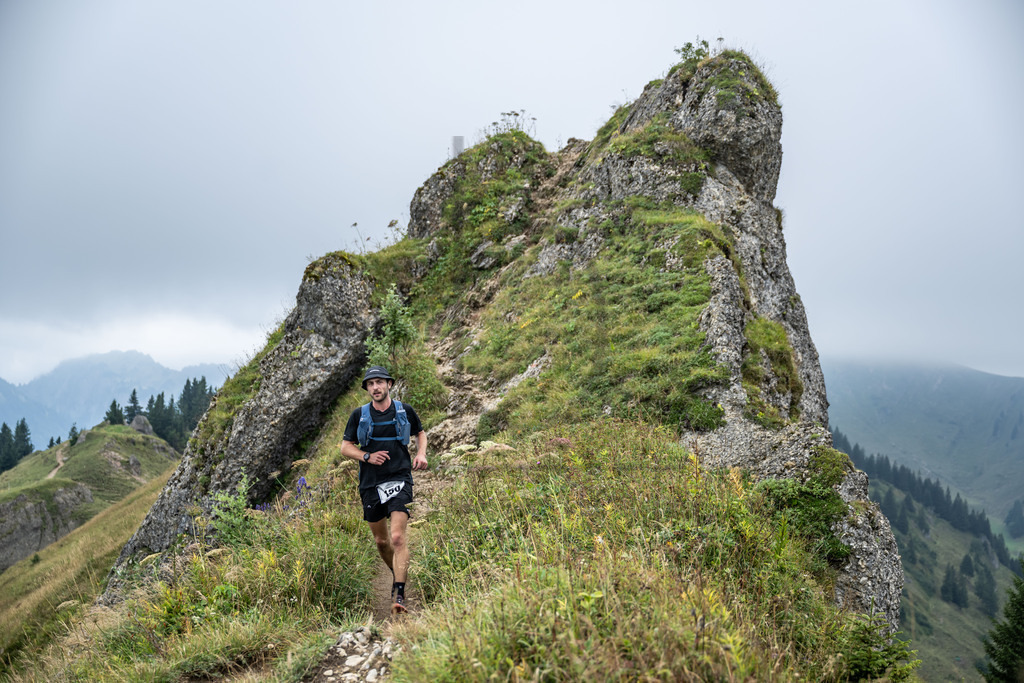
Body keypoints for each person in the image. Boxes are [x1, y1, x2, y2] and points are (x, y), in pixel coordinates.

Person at [340, 365, 428, 614]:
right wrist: (367, 456)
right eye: (370, 384)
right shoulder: (359, 415)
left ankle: (399, 593)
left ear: (389, 384)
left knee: (397, 537)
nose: (375, 387)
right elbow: (345, 447)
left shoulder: (404, 410)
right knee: (381, 541)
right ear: (367, 388)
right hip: (370, 483)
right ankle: (395, 571)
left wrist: (421, 453)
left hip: (400, 478)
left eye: (379, 382)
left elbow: (420, 433)